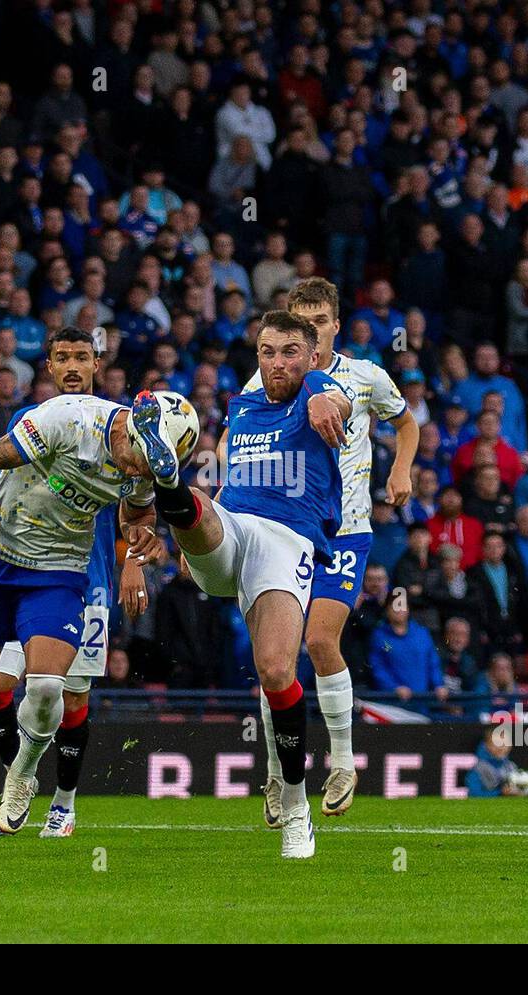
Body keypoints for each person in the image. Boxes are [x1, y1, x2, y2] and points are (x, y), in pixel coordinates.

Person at [130, 309, 351, 858]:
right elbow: (233, 485)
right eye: (269, 352)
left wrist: (326, 396)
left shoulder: (321, 394)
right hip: (232, 528)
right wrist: (198, 539)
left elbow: (335, 400)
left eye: (291, 352)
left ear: (312, 357)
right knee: (201, 503)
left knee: (276, 669)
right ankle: (170, 488)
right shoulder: (243, 410)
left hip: (287, 540)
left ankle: (296, 806)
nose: (279, 362)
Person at [0, 328, 165, 859]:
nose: (134, 472)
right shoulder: (59, 420)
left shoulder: (146, 454)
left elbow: (138, 513)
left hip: (60, 573)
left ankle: (24, 775)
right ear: (48, 365)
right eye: (62, 357)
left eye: (81, 356)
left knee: (50, 689)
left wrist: (138, 548)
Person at [224, 277, 417, 823]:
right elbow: (236, 430)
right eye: (299, 321)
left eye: (319, 322)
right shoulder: (270, 379)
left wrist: (401, 468)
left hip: (345, 531)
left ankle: (342, 761)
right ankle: (276, 773)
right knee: (274, 661)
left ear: (334, 325)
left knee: (318, 639)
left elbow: (406, 423)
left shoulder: (364, 377)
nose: (310, 331)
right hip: (279, 531)